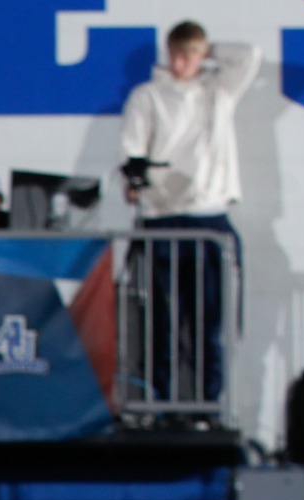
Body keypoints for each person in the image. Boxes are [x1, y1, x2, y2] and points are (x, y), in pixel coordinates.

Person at [120, 20, 261, 406]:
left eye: (190, 55)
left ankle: (208, 404)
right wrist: (136, 178)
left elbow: (249, 57)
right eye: (177, 54)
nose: (182, 62)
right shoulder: (147, 96)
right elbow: (131, 152)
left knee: (208, 322)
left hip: (208, 216)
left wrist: (207, 51)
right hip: (161, 217)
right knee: (161, 322)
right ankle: (160, 402)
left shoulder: (217, 92)